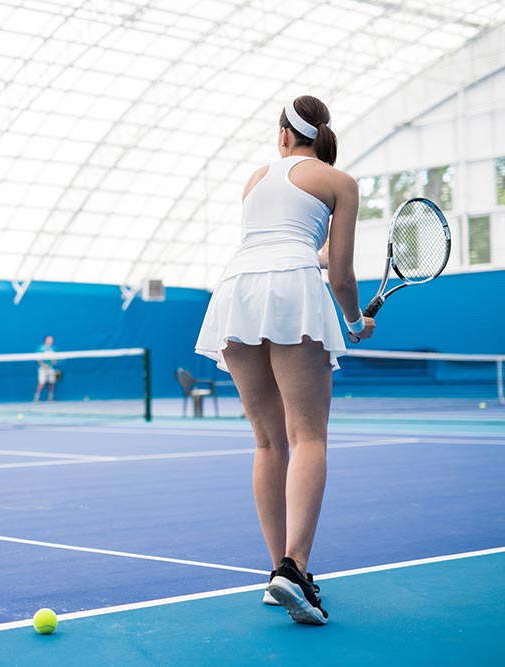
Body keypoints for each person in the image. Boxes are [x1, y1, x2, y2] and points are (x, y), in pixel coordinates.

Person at [194, 96, 375, 625]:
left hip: (234, 292)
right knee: (309, 436)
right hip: (292, 287)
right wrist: (355, 321)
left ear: (283, 136)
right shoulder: (339, 182)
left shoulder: (254, 179)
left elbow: (280, 242)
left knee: (268, 441)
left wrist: (316, 258)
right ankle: (295, 569)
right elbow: (340, 277)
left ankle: (280, 569)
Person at [33, 335, 57, 401]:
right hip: (42, 368)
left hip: (50, 367)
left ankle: (50, 397)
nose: (51, 341)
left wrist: (54, 361)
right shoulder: (41, 347)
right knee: (41, 382)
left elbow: (54, 358)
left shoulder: (53, 348)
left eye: (52, 339)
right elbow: (38, 358)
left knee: (52, 382)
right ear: (46, 340)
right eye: (50, 339)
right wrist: (43, 365)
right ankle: (36, 397)